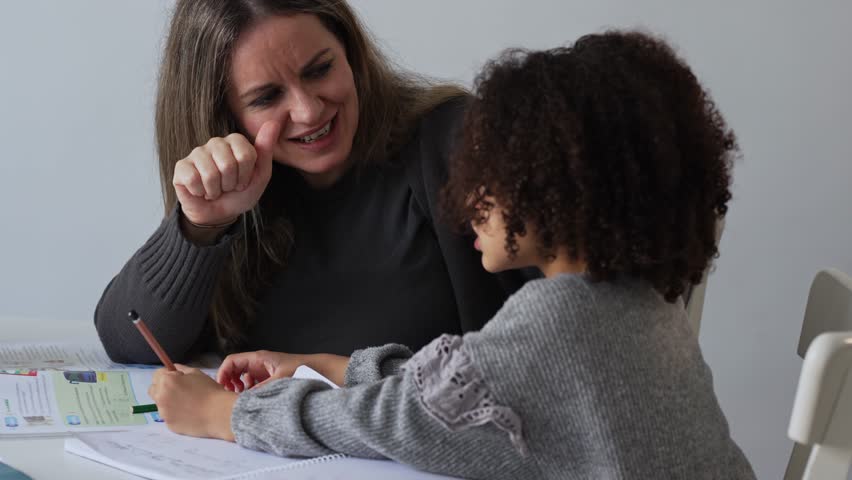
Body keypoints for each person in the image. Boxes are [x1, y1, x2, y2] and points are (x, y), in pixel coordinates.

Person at [148, 30, 756, 479]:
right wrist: (331, 367)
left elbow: (390, 421)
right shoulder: (632, 308)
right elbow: (467, 382)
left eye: (486, 173)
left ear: (553, 194)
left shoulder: (555, 320)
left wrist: (222, 416)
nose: (464, 195)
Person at [94, 0, 531, 366]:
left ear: (350, 54)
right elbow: (128, 341)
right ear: (224, 118)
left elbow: (562, 337)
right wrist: (200, 227)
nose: (307, 111)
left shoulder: (457, 142)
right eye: (267, 98)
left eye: (319, 70)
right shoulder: (241, 197)